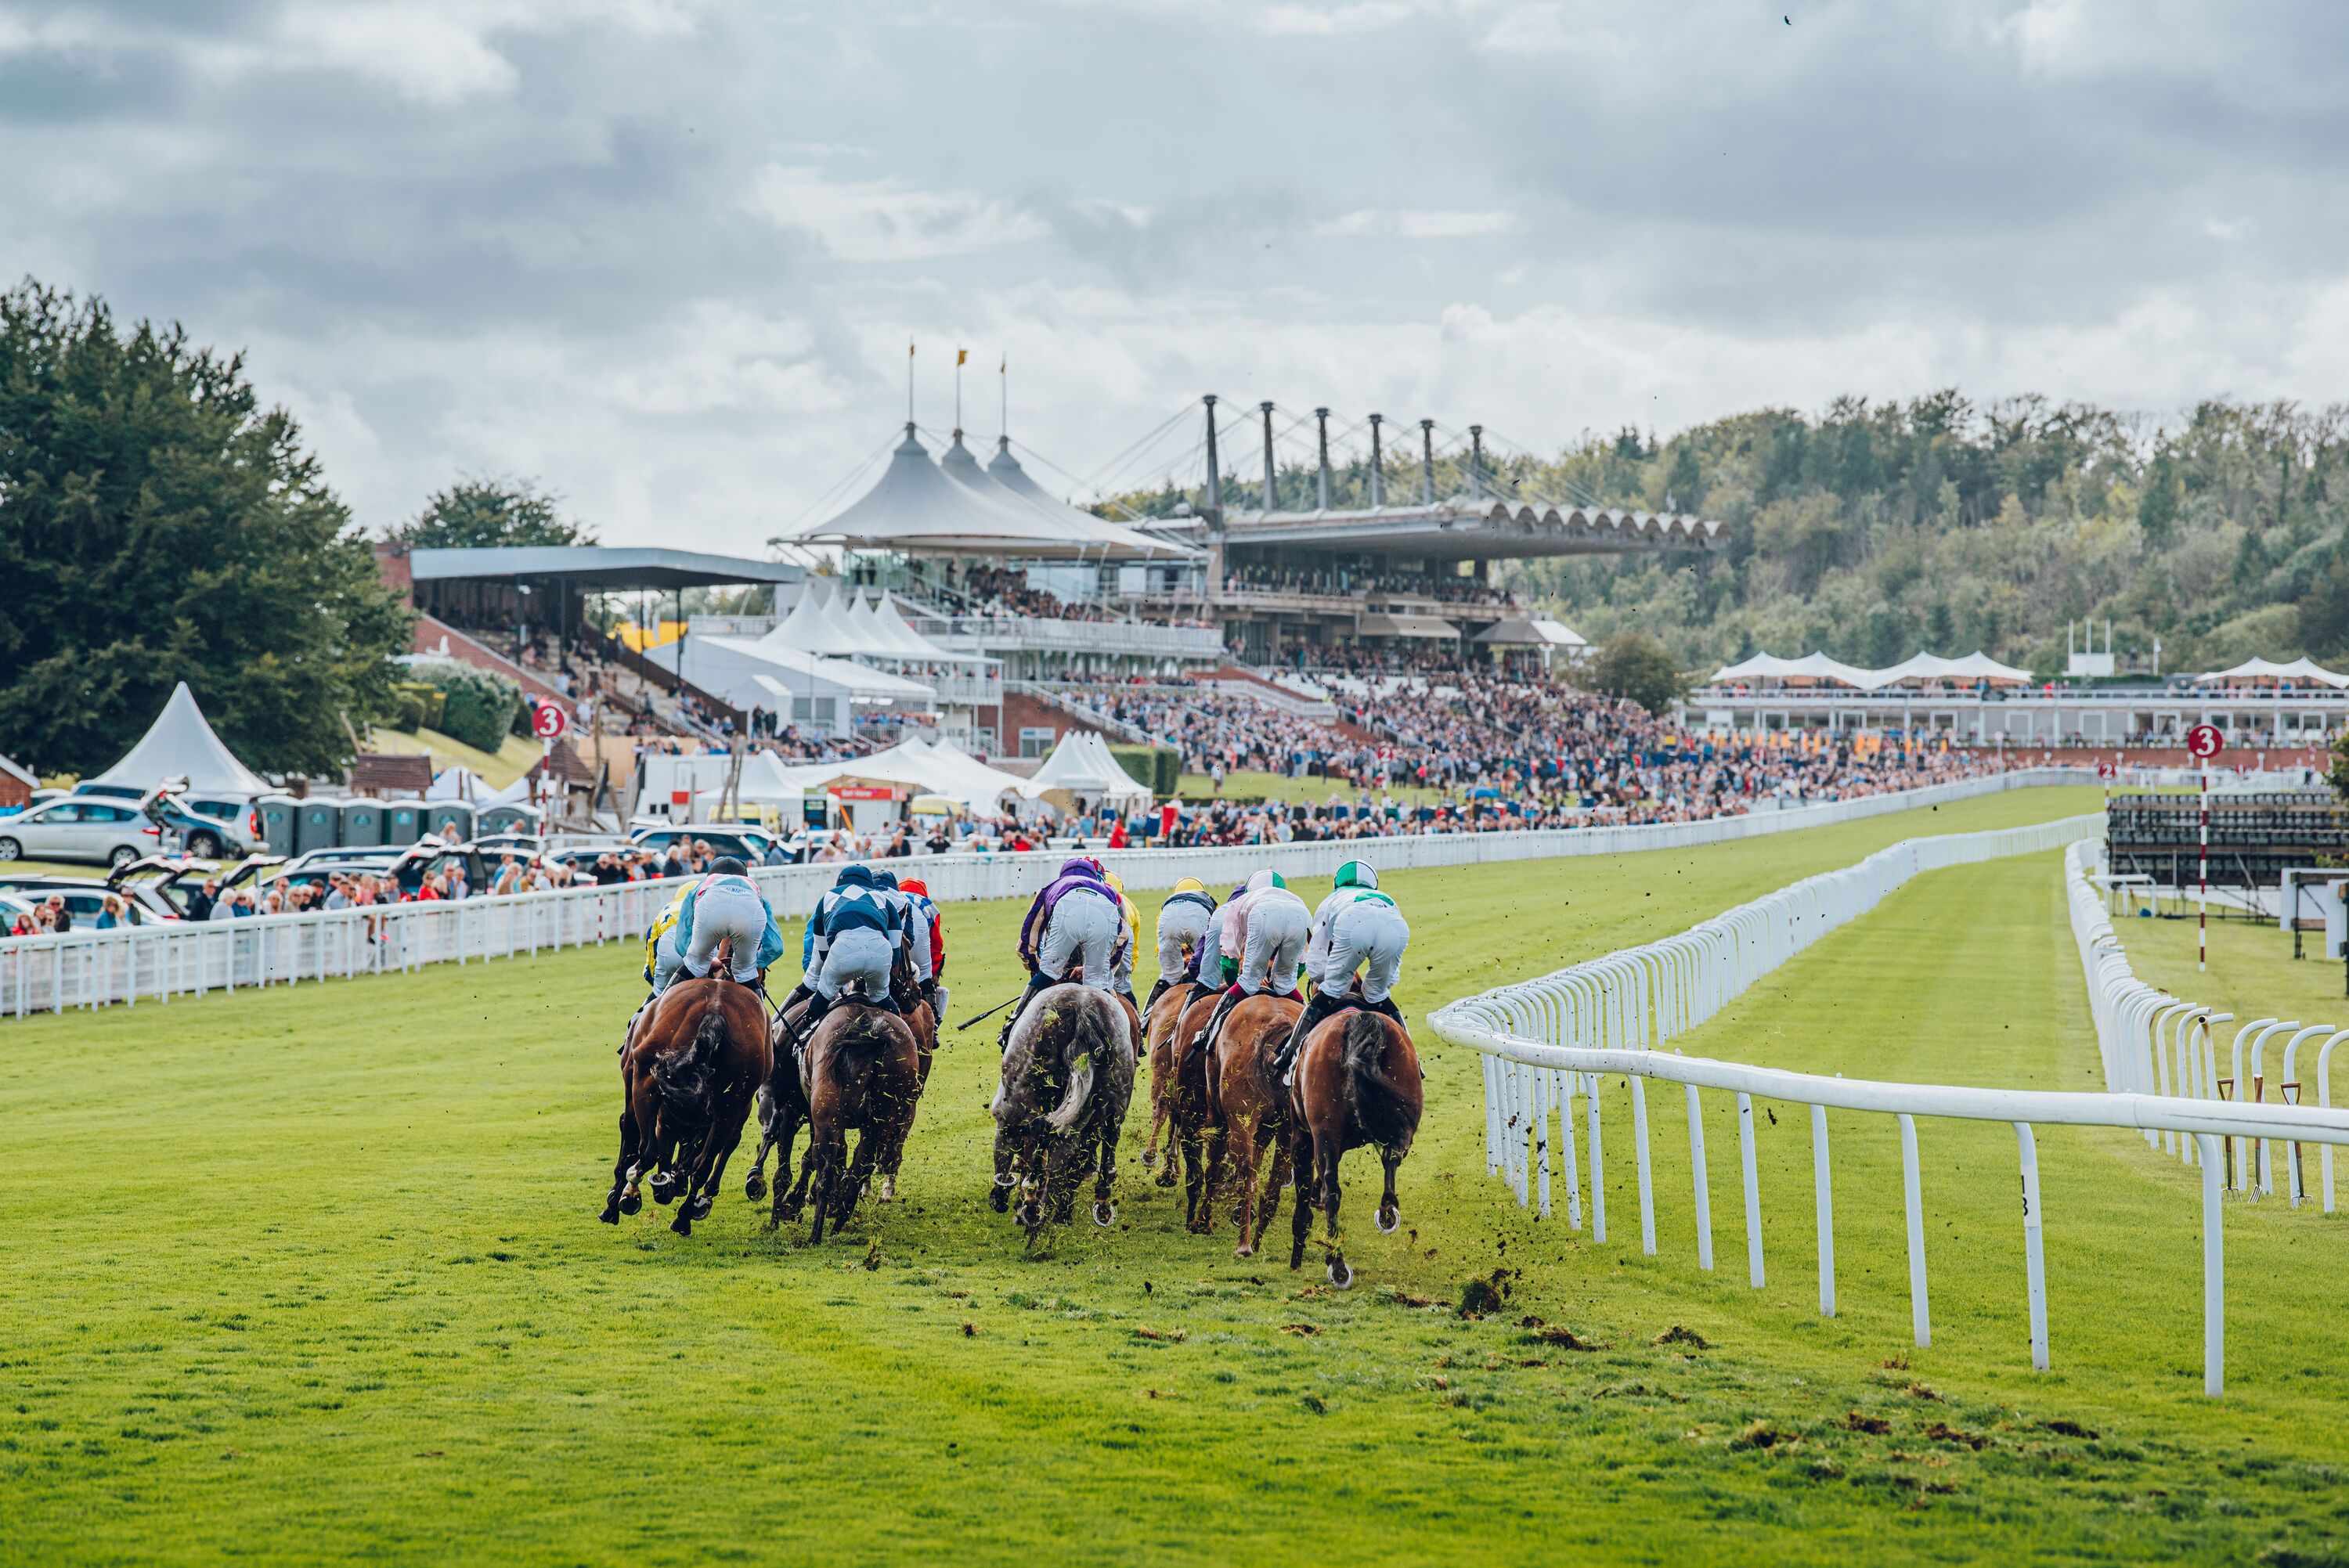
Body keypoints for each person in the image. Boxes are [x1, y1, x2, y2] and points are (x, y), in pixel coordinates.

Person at [1274, 859, 1409, 1080]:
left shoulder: (1332, 899)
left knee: (1332, 991)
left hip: (1352, 921)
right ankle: (1414, 1059)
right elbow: (1392, 976)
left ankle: (1289, 1054)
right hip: (1396, 927)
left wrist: (1332, 982)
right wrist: (1370, 988)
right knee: (1378, 995)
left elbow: (1316, 962)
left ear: (1337, 883)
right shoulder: (1388, 900)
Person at [779, 863, 911, 1048]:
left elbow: (823, 950)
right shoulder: (883, 899)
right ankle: (905, 1040)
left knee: (824, 994)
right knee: (882, 997)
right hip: (880, 952)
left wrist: (839, 974)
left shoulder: (827, 898)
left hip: (843, 950)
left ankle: (800, 1038)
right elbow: (896, 953)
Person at [1189, 869, 1309, 1062]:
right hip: (1302, 915)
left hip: (1263, 916)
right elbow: (1302, 964)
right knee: (1286, 983)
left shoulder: (1238, 904)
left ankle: (1207, 1033)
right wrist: (1283, 984)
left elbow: (1229, 960)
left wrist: (1236, 985)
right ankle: (1310, 1025)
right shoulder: (1295, 900)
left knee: (1249, 981)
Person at [1002, 856, 1124, 1042]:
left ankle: (1012, 1024)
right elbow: (1121, 938)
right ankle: (1117, 1037)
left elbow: (1027, 940)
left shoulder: (1050, 888)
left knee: (1048, 972)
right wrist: (1100, 969)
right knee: (1097, 983)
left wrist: (1040, 973)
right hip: (1105, 913)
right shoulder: (1110, 893)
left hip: (1067, 908)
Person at [673, 856, 785, 989]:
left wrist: (702, 960)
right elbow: (775, 947)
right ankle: (759, 1006)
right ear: (745, 877)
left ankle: (659, 1004)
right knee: (745, 971)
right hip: (749, 908)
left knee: (694, 962)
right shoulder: (755, 891)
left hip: (711, 904)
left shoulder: (703, 885)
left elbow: (682, 942)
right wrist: (754, 961)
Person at [1146, 877, 1216, 1012]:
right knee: (1211, 973)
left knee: (1169, 976)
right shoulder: (1207, 899)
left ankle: (1145, 1019)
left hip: (1169, 926)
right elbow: (1215, 933)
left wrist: (1182, 953)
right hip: (1198, 923)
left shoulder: (1167, 906)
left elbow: (1160, 946)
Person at [897, 877, 945, 1020]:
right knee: (926, 978)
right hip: (917, 943)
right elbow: (936, 946)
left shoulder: (890, 898)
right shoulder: (927, 905)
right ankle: (934, 1023)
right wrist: (932, 975)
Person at [1102, 868, 1141, 1008]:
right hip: (1124, 937)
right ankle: (1140, 1025)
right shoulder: (1129, 904)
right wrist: (1126, 973)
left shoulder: (1095, 894)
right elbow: (1134, 948)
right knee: (1122, 986)